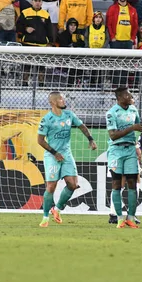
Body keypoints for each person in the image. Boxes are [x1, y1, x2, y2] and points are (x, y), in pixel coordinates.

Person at [37, 92, 97, 227]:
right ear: (53, 102)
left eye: (63, 98)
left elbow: (82, 126)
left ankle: (57, 209)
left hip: (66, 154)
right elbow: (40, 140)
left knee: (73, 184)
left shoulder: (69, 115)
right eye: (60, 99)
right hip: (52, 156)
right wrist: (54, 152)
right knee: (51, 186)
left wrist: (91, 139)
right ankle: (45, 217)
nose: (63, 100)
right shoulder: (47, 119)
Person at [106, 87, 142, 228]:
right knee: (116, 185)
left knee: (132, 184)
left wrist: (138, 146)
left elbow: (139, 127)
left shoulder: (134, 110)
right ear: (120, 97)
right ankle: (119, 218)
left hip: (130, 150)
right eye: (128, 94)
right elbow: (113, 135)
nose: (131, 96)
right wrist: (132, 128)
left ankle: (131, 218)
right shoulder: (111, 113)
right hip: (116, 151)